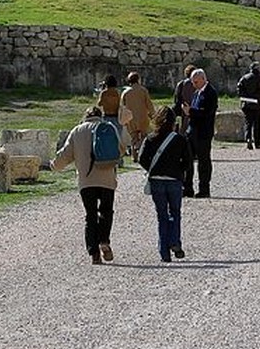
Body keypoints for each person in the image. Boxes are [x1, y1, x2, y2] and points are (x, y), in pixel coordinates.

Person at [51, 105, 124, 265]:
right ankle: (104, 240)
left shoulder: (77, 131)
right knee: (106, 211)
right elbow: (121, 149)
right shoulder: (109, 127)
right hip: (107, 178)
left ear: (86, 116)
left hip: (86, 180)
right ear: (100, 116)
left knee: (90, 215)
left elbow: (66, 154)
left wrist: (54, 165)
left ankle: (94, 252)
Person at [138, 106, 193, 262]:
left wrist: (153, 169)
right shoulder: (180, 139)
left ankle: (164, 252)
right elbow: (188, 162)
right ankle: (175, 241)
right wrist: (178, 171)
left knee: (162, 215)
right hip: (174, 180)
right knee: (175, 212)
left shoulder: (150, 138)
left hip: (157, 180)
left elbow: (142, 159)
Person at [184, 68, 217, 198]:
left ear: (203, 79)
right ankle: (188, 188)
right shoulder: (197, 93)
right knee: (187, 160)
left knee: (203, 161)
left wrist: (190, 111)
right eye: (193, 82)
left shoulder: (210, 93)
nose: (194, 84)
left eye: (196, 82)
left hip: (203, 132)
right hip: (192, 131)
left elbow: (206, 113)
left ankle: (204, 188)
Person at [120, 71, 156, 161]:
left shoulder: (126, 92)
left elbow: (122, 105)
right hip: (142, 116)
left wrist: (122, 118)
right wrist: (153, 115)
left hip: (131, 118)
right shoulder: (143, 90)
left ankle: (134, 156)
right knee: (144, 137)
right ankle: (142, 154)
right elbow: (149, 104)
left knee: (134, 137)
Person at [236, 62, 260, 150]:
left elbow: (239, 90)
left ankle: (248, 139)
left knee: (248, 122)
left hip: (246, 103)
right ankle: (257, 143)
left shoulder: (244, 78)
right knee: (257, 123)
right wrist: (256, 97)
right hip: (257, 104)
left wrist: (246, 97)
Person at [172, 64, 197, 133]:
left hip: (184, 107)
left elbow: (177, 98)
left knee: (183, 127)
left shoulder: (181, 84)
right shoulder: (198, 84)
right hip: (195, 107)